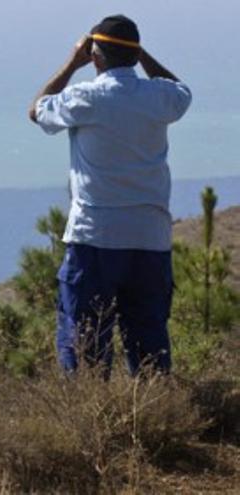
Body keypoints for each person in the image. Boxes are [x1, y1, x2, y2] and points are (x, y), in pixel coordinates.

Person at [28, 15, 192, 376]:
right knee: (148, 337)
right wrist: (138, 53)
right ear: (134, 56)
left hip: (95, 236)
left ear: (95, 55)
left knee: (85, 338)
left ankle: (91, 420)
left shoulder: (85, 97)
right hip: (150, 236)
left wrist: (73, 63)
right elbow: (183, 93)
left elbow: (37, 111)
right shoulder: (159, 97)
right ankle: (153, 415)